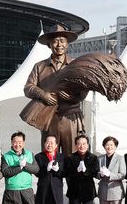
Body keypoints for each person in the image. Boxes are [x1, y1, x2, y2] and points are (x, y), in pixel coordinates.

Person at [24, 24, 88, 154]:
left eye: (62, 41)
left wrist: (71, 98)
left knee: (72, 155)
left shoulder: (76, 65)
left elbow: (84, 90)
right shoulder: (40, 66)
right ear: (49, 45)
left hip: (70, 117)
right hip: (49, 117)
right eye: (55, 41)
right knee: (49, 155)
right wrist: (43, 94)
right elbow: (28, 88)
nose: (59, 45)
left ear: (67, 44)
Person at [1, 131, 39, 204]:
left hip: (26, 191)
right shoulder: (6, 156)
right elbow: (5, 172)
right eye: (15, 142)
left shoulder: (30, 154)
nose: (17, 144)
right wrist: (20, 167)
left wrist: (26, 165)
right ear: (11, 142)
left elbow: (36, 169)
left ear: (24, 143)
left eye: (20, 142)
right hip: (12, 191)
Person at [66, 134, 99, 204]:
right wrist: (77, 170)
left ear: (88, 145)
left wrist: (86, 170)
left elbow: (95, 171)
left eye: (84, 143)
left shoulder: (93, 157)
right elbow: (67, 172)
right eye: (79, 144)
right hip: (74, 191)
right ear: (76, 145)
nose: (82, 146)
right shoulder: (70, 157)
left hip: (88, 191)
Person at [34, 134, 65, 204]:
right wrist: (45, 169)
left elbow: (65, 172)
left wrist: (58, 170)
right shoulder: (39, 156)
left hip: (56, 191)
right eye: (47, 142)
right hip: (44, 191)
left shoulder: (61, 157)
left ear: (56, 145)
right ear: (44, 144)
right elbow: (37, 173)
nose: (49, 145)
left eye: (52, 143)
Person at [96, 136, 126, 204]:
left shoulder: (120, 158)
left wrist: (110, 175)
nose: (109, 147)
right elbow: (96, 173)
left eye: (111, 145)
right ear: (104, 146)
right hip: (103, 190)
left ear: (115, 146)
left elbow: (122, 174)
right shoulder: (100, 158)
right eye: (107, 145)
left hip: (115, 191)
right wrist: (100, 175)